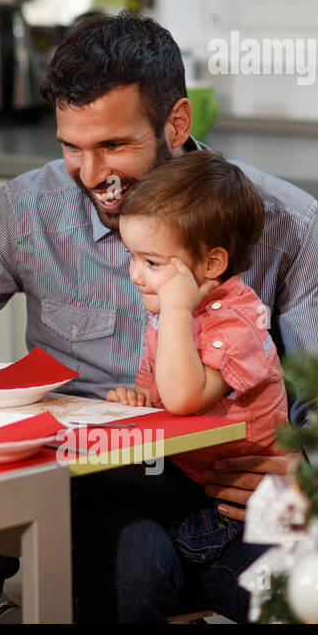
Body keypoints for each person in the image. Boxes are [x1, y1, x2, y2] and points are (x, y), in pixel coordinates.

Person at [0, 12, 318, 623]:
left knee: (316, 600)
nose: (92, 175)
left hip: (228, 491)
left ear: (176, 123)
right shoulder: (25, 211)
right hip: (89, 487)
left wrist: (310, 471)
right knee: (141, 560)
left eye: (113, 146)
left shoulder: (289, 221)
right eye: (71, 148)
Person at [103, 150, 288, 566]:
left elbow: (186, 400)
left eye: (151, 262)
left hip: (225, 509)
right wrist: (138, 399)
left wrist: (176, 311)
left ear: (212, 263)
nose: (135, 275)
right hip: (188, 475)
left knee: (93, 480)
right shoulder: (180, 308)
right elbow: (166, 396)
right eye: (132, 257)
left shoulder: (236, 321)